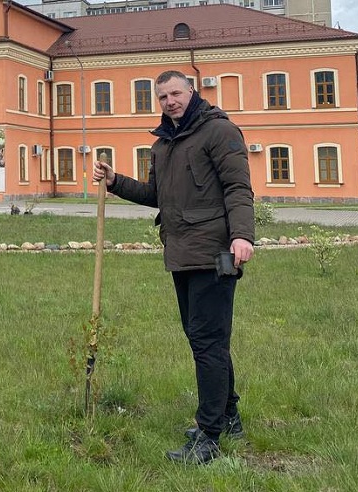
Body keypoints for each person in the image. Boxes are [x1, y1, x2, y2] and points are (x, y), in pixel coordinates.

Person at [93, 70, 255, 464]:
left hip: (216, 254)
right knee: (205, 340)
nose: (170, 102)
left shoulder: (219, 131)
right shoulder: (163, 144)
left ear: (191, 91)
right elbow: (156, 195)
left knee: (208, 342)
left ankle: (209, 436)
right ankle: (228, 417)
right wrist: (115, 182)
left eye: (176, 93)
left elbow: (238, 187)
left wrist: (242, 235)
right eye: (163, 97)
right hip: (181, 254)